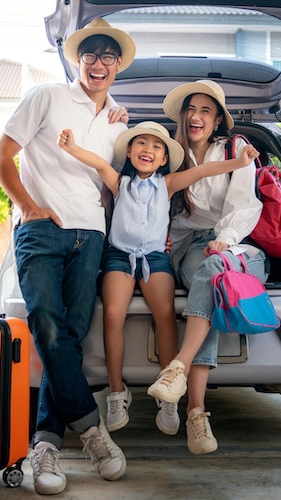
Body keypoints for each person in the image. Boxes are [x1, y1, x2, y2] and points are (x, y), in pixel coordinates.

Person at [0, 17, 134, 496]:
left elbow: (120, 186)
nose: (98, 63)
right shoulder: (46, 97)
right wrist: (28, 206)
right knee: (48, 327)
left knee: (68, 338)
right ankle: (93, 433)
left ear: (117, 66)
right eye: (90, 54)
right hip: (41, 232)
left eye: (107, 56)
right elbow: (1, 157)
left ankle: (47, 442)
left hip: (90, 236)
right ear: (77, 60)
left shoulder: (118, 121)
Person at [58, 122, 257, 437]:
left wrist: (239, 163)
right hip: (119, 257)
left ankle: (170, 396)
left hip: (154, 258)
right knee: (113, 315)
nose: (147, 150)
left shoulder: (169, 183)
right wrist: (71, 148)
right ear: (130, 151)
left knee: (164, 316)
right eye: (141, 143)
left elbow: (205, 171)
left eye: (156, 146)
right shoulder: (119, 182)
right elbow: (97, 162)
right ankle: (116, 392)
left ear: (164, 158)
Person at [145, 79, 266, 455]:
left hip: (236, 244)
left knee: (215, 271)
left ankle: (180, 375)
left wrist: (225, 239)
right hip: (190, 249)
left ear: (217, 122)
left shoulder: (235, 149)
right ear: (183, 116)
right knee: (210, 278)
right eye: (191, 110)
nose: (196, 117)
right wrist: (160, 236)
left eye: (206, 111)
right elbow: (149, 202)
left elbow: (245, 205)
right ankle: (196, 416)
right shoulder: (167, 153)